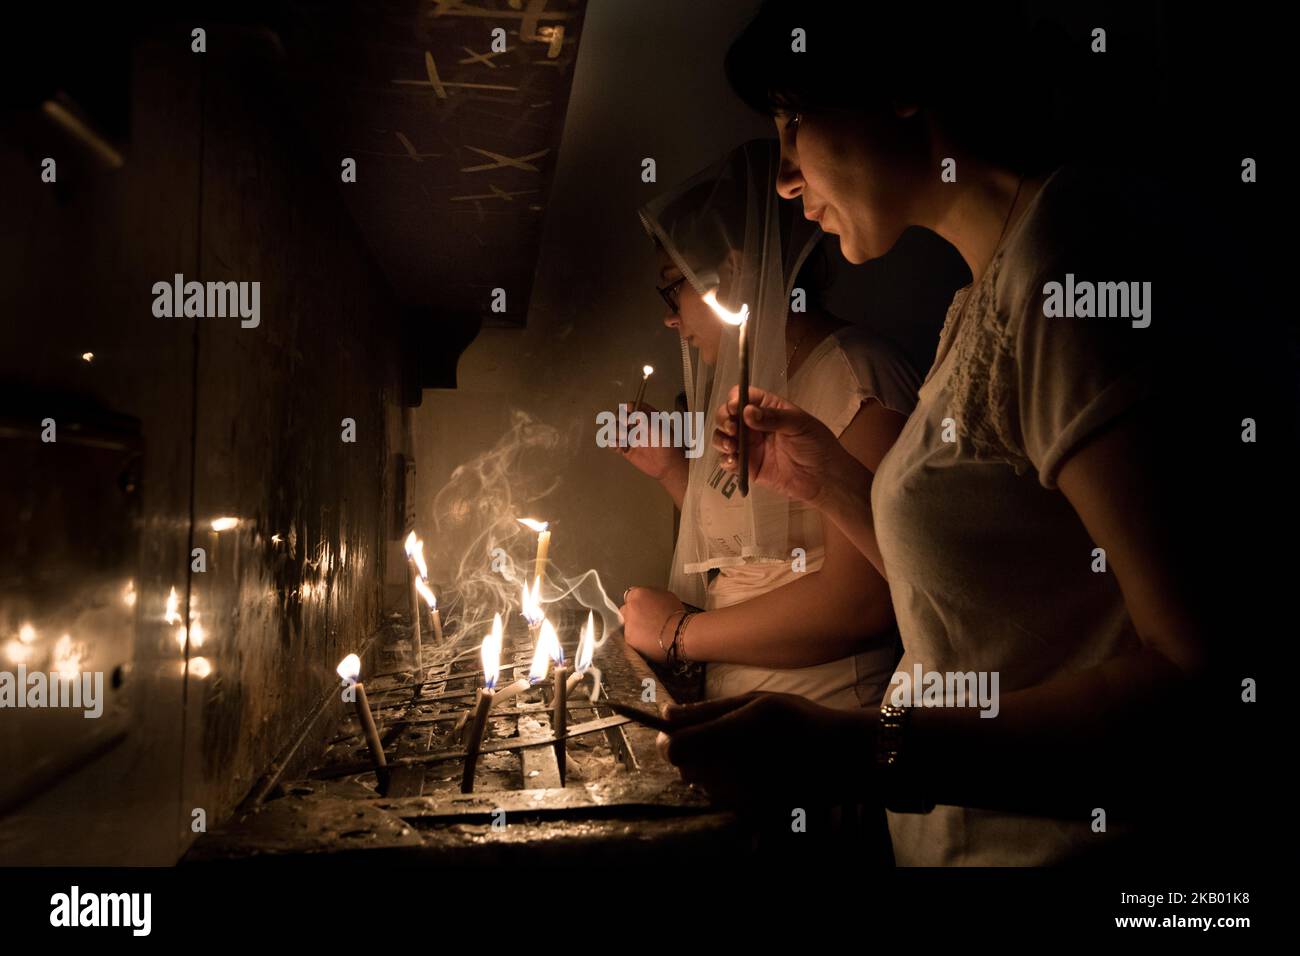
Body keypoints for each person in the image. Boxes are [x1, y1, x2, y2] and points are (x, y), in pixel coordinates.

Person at [653, 0, 1265, 866]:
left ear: (898, 84)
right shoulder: (977, 298)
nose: (786, 177)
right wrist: (825, 478)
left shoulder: (1073, 261)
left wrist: (857, 745)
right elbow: (987, 595)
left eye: (793, 119)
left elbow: (1202, 686)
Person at [615, 139, 921, 710]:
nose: (670, 315)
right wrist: (672, 471)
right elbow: (752, 555)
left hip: (826, 731)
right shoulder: (754, 382)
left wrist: (677, 634)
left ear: (728, 274)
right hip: (748, 722)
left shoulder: (857, 375)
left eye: (671, 284)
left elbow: (863, 601)